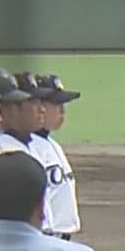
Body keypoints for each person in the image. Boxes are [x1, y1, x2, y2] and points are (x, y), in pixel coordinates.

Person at [27, 73, 83, 240]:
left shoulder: (51, 144)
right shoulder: (28, 147)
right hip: (44, 236)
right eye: (57, 105)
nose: (62, 112)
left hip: (61, 237)